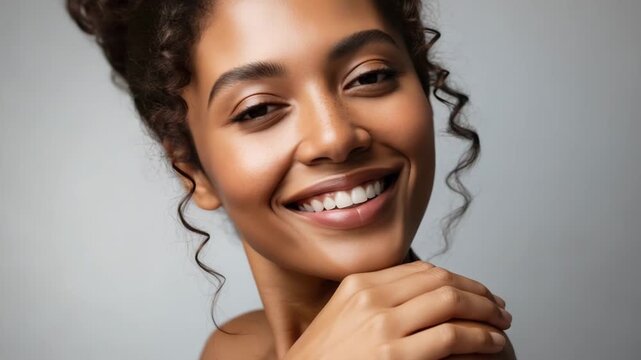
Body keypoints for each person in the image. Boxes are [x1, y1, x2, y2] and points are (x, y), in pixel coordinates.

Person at [67, 0, 516, 358]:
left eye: (370, 76)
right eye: (259, 109)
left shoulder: (453, 348)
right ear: (190, 166)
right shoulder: (235, 347)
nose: (336, 137)